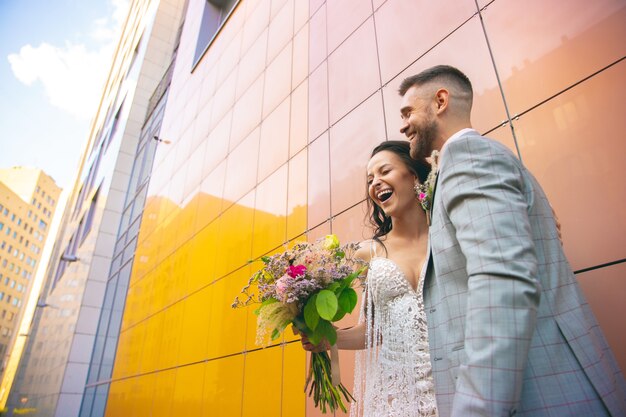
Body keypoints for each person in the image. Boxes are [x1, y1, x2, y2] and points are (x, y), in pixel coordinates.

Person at [398, 65, 626, 416]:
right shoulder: (478, 160)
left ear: (440, 101)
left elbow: (503, 281)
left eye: (408, 111)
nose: (403, 124)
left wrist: (476, 408)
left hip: (544, 392)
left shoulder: (469, 158)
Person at [300, 140, 438, 416]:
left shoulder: (447, 236)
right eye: (370, 179)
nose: (375, 183)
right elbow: (376, 331)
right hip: (396, 397)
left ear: (413, 175)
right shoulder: (367, 253)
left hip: (454, 383)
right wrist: (329, 337)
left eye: (384, 172)